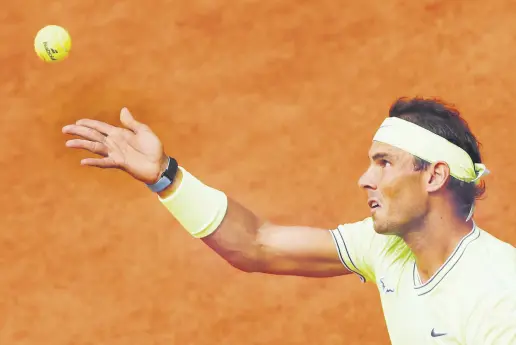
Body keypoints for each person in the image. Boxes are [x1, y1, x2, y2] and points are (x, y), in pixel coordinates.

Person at [62, 97, 516, 344]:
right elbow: (257, 244)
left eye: (384, 163)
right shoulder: (388, 248)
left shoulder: (498, 298)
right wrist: (166, 177)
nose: (365, 178)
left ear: (434, 175)